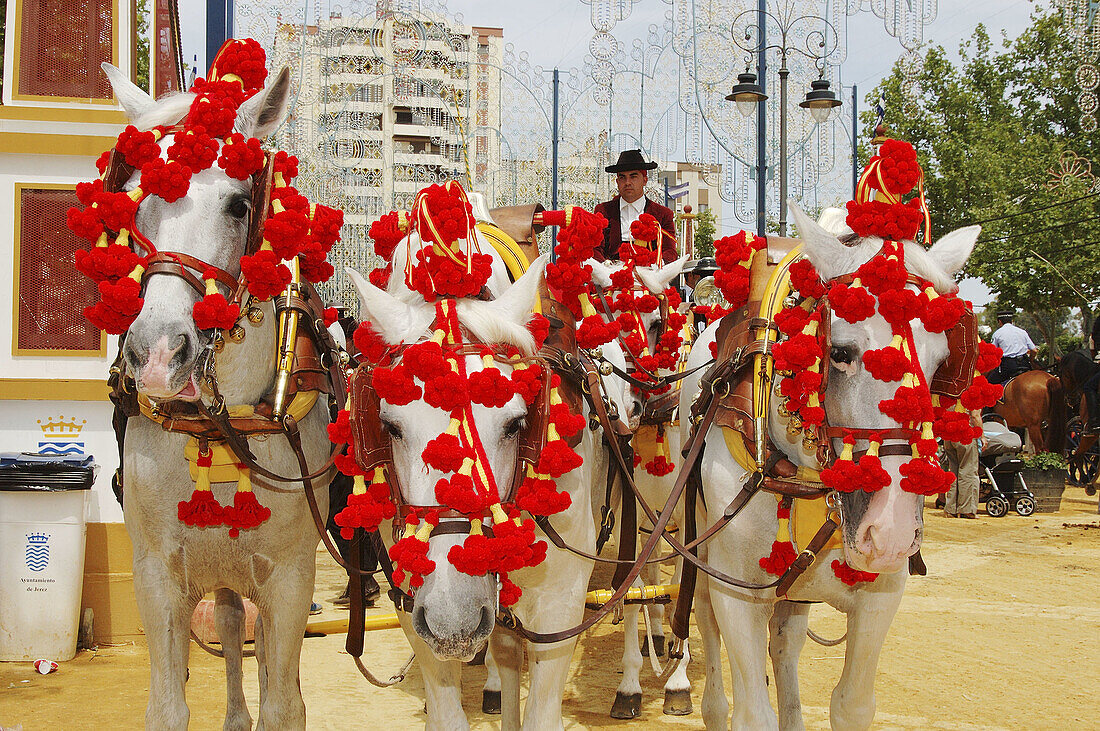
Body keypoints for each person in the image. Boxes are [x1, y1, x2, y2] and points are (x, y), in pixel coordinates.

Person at [593, 149, 678, 264]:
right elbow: (595, 248)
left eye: (633, 177)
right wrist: (605, 270)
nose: (627, 182)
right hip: (610, 277)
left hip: (649, 276)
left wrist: (654, 268)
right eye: (622, 177)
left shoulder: (663, 214)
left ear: (645, 180)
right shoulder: (603, 211)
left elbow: (670, 252)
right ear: (617, 182)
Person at [943, 409, 986, 519]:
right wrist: (982, 436)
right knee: (968, 470)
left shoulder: (949, 391)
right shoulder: (970, 391)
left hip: (948, 433)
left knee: (953, 471)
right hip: (965, 432)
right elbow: (975, 415)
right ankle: (967, 509)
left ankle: (950, 509)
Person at [987, 309, 1037, 385]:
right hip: (1024, 364)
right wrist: (1031, 360)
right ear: (1012, 320)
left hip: (1008, 366)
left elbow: (992, 353)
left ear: (1000, 322)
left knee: (989, 384)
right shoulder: (1022, 332)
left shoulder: (997, 334)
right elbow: (1034, 350)